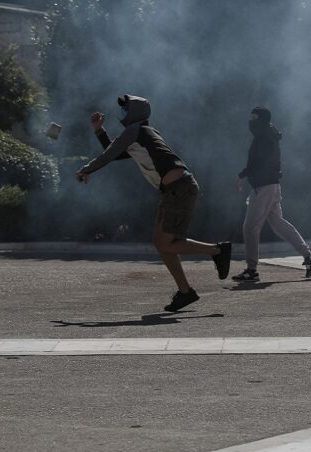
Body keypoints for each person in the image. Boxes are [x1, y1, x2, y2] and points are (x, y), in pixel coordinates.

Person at [75, 94, 231, 312]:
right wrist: (99, 130)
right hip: (174, 189)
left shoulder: (136, 130)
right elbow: (117, 152)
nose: (122, 113)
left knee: (165, 242)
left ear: (134, 112)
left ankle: (217, 251)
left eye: (125, 109)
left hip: (179, 188)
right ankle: (185, 292)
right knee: (162, 243)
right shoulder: (143, 132)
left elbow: (110, 154)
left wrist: (86, 169)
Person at [232, 107, 311, 281]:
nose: (251, 121)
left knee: (250, 228)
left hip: (264, 187)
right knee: (278, 224)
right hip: (270, 185)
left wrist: (241, 176)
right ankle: (309, 257)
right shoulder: (268, 135)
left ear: (262, 119)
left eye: (254, 117)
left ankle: (251, 269)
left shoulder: (263, 137)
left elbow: (258, 162)